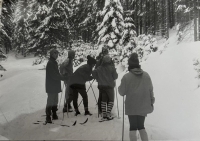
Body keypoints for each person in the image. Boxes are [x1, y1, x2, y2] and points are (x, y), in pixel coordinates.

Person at [118, 53, 155, 141]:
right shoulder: (146, 75)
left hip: (132, 106)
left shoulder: (126, 77)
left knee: (133, 127)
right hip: (143, 105)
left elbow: (121, 92)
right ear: (138, 64)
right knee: (141, 126)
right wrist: (151, 102)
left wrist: (121, 87)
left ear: (129, 65)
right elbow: (150, 90)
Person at [92, 55, 118, 121]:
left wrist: (98, 78)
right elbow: (115, 76)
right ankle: (108, 114)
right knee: (111, 100)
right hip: (110, 86)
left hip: (102, 86)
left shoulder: (99, 68)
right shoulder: (112, 68)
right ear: (109, 61)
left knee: (103, 100)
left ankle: (104, 114)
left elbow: (93, 74)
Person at [45, 49, 67, 123]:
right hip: (51, 86)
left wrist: (62, 76)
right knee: (50, 101)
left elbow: (56, 74)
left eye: (57, 54)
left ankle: (54, 113)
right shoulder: (51, 63)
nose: (56, 55)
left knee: (55, 100)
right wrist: (62, 77)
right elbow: (54, 75)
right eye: (55, 54)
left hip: (54, 85)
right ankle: (48, 116)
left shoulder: (54, 62)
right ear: (51, 54)